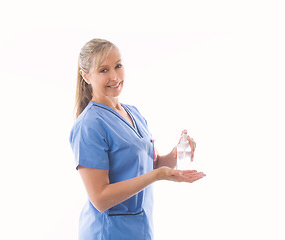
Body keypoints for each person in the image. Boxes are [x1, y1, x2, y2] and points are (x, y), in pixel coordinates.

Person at [69, 38, 206, 240]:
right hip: (108, 232)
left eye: (118, 66)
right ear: (86, 76)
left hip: (139, 228)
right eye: (103, 70)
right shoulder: (89, 125)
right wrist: (157, 175)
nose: (114, 76)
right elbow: (100, 198)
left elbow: (151, 165)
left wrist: (175, 154)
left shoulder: (133, 113)